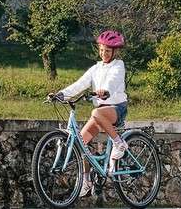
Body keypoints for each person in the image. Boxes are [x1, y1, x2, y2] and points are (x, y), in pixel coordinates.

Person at [50, 30, 128, 198]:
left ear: (115, 52)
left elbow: (113, 81)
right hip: (99, 114)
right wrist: (61, 94)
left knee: (96, 112)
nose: (103, 53)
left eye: (107, 51)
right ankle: (87, 182)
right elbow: (80, 84)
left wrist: (105, 91)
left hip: (116, 109)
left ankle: (119, 143)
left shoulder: (118, 65)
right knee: (81, 144)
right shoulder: (96, 68)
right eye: (101, 49)